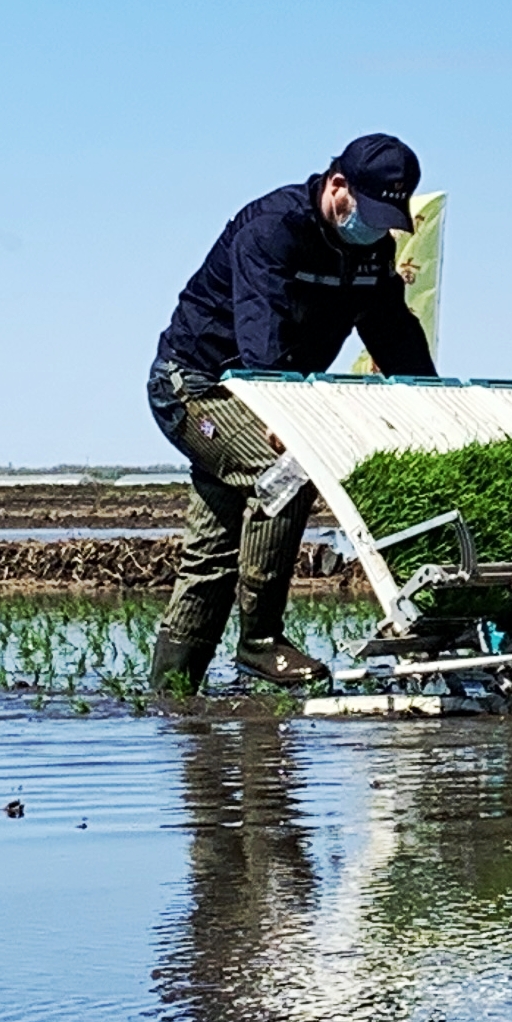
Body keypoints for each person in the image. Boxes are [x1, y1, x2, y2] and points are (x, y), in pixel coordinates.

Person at [145, 133, 437, 693]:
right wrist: (283, 418)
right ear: (337, 186)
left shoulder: (371, 249)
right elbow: (263, 332)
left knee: (210, 558)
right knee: (283, 474)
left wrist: (427, 399)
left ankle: (172, 707)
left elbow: (392, 330)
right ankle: (260, 642)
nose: (375, 228)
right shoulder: (272, 229)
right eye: (368, 211)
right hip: (195, 388)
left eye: (387, 216)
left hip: (260, 395)